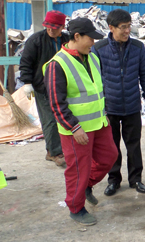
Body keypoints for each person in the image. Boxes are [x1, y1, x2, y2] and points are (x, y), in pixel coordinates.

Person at [44, 17, 118, 226]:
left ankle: (86, 185)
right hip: (76, 129)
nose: (93, 43)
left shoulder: (92, 58)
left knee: (109, 157)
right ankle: (76, 208)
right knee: (77, 169)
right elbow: (57, 103)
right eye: (90, 39)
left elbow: (95, 91)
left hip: (99, 123)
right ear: (76, 37)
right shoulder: (56, 65)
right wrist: (74, 127)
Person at [92, 9, 145, 196]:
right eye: (123, 27)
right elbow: (94, 78)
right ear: (111, 28)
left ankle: (136, 179)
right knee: (112, 146)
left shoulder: (137, 47)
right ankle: (113, 180)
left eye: (129, 26)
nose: (127, 31)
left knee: (133, 145)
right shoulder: (99, 49)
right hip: (109, 106)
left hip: (132, 105)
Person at [19, 10, 69, 168]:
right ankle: (54, 152)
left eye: (55, 27)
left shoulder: (67, 39)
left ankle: (58, 149)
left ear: (62, 27)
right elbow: (26, 62)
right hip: (43, 86)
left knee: (64, 118)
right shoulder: (35, 40)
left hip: (64, 86)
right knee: (50, 120)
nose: (51, 30)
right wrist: (27, 83)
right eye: (48, 26)